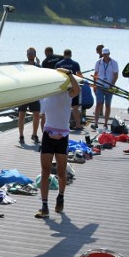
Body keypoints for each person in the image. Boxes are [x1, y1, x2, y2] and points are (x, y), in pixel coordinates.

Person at [35, 69, 81, 219]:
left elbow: (78, 88)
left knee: (61, 173)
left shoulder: (67, 94)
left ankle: (60, 196)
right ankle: (44, 206)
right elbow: (42, 116)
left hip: (63, 137)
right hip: (48, 136)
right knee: (45, 172)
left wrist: (69, 74)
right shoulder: (45, 97)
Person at [17, 47, 42, 145]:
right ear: (26, 55)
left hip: (34, 93)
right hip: (24, 94)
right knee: (21, 114)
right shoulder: (22, 66)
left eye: (32, 53)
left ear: (35, 55)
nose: (30, 55)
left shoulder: (38, 66)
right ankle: (21, 135)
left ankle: (34, 134)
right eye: (29, 53)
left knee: (36, 114)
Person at [55, 49, 83, 131]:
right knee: (75, 108)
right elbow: (80, 76)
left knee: (61, 106)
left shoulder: (59, 64)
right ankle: (78, 125)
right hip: (73, 87)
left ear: (64, 55)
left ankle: (60, 123)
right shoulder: (75, 64)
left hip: (63, 88)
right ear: (71, 55)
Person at [92, 47, 118, 130]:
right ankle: (96, 123)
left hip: (109, 87)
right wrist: (95, 85)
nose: (105, 56)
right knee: (98, 104)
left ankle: (105, 123)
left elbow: (116, 75)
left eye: (106, 54)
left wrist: (111, 85)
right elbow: (95, 74)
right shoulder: (98, 62)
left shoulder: (114, 63)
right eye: (103, 54)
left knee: (108, 105)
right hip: (100, 85)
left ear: (109, 54)